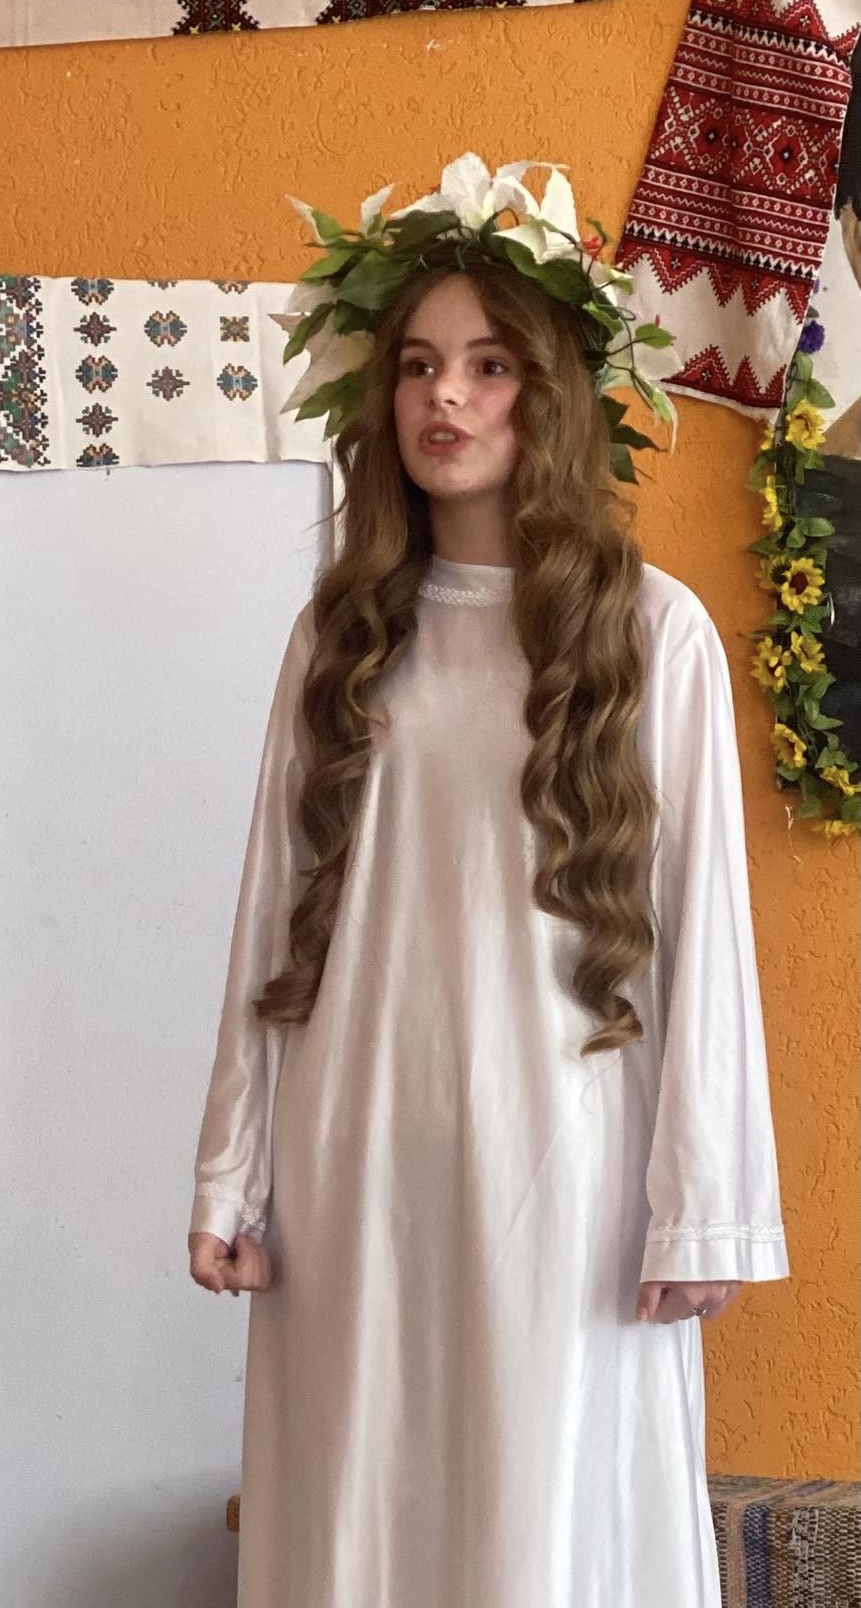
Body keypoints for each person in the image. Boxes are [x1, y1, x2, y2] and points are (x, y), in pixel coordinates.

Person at [188, 155, 789, 1608]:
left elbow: (704, 932)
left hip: (563, 1160)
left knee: (544, 1513)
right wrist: (232, 1169)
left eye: (488, 365)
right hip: (355, 1155)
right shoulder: (340, 637)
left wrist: (702, 1202)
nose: (444, 399)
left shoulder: (650, 634)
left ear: (553, 395)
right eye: (416, 365)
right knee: (362, 1500)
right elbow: (273, 913)